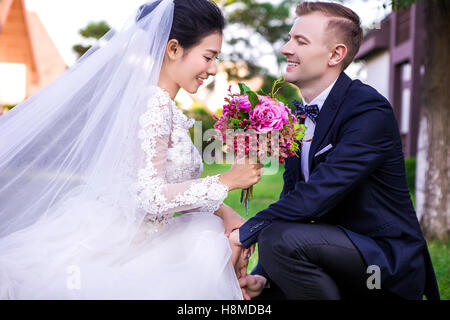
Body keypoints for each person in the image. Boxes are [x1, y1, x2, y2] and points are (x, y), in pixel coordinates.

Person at [0, 0, 261, 299]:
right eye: (208, 56)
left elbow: (169, 185)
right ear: (174, 49)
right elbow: (147, 196)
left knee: (212, 233)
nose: (213, 69)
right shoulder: (154, 104)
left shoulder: (159, 103)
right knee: (209, 243)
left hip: (141, 233)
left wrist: (224, 211)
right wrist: (227, 180)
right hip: (121, 244)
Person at [234, 1, 440, 300]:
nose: (285, 48)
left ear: (336, 54)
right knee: (258, 293)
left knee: (278, 238)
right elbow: (293, 196)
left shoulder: (368, 109)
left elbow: (318, 194)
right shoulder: (296, 114)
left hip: (382, 261)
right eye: (290, 38)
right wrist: (263, 275)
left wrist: (244, 233)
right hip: (331, 251)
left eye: (300, 41)